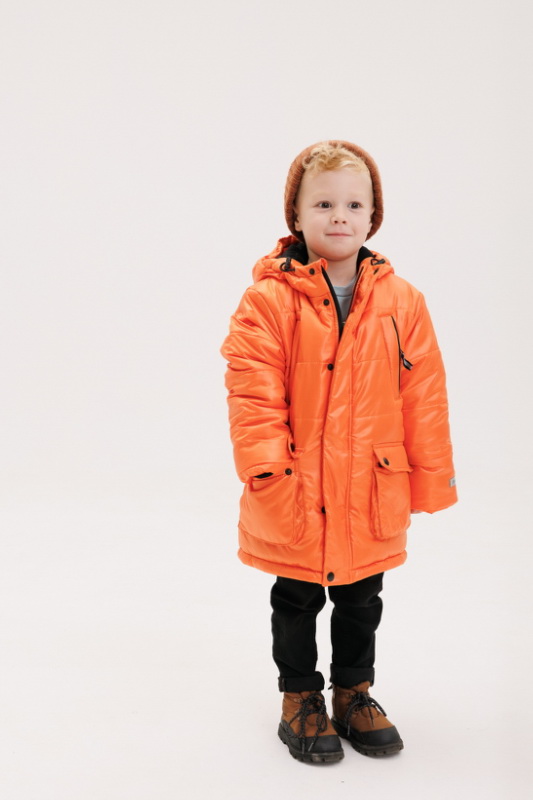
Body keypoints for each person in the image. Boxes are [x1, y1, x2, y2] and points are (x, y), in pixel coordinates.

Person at [220, 140, 457, 764]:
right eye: (322, 204)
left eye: (354, 205)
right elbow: (252, 391)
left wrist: (430, 478)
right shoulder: (269, 300)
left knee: (361, 597)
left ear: (373, 216)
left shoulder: (402, 301)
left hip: (370, 485)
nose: (339, 217)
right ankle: (300, 696)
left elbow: (424, 395)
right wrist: (267, 468)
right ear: (296, 215)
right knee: (296, 597)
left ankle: (354, 692)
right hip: (296, 482)